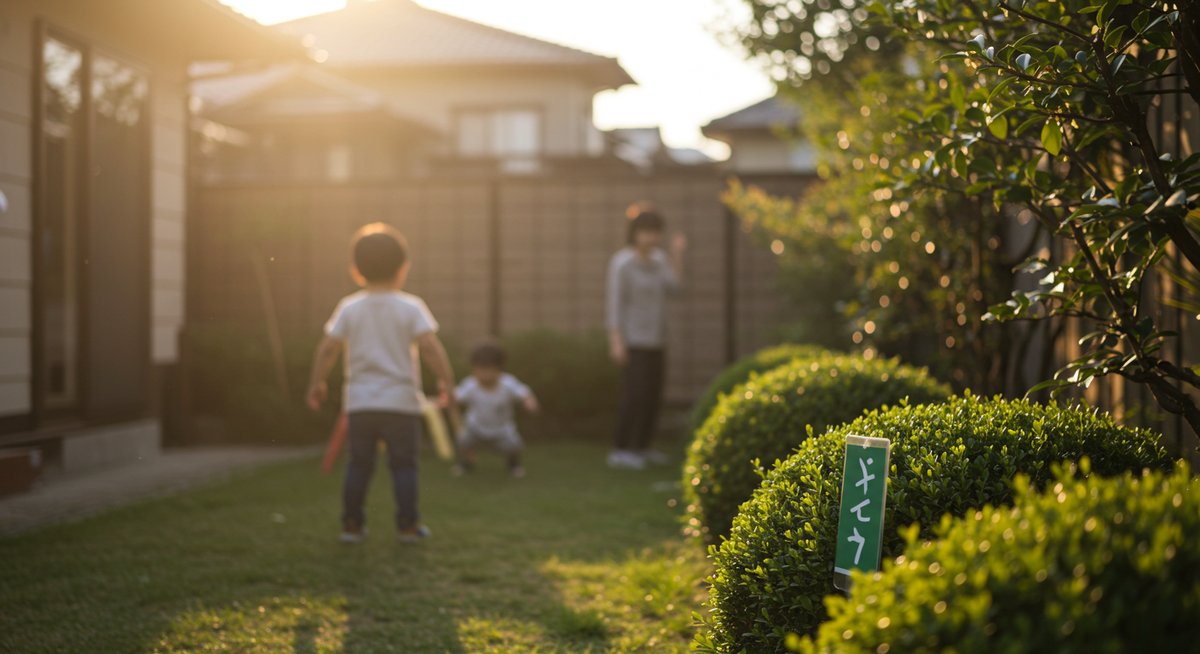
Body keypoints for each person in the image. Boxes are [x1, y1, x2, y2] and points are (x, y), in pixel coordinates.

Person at [306, 223, 457, 545]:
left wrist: (317, 383)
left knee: (359, 465)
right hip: (401, 403)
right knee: (404, 466)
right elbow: (430, 348)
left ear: (356, 270)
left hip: (360, 403)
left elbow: (328, 348)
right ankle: (408, 526)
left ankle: (351, 525)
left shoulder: (350, 307)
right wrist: (447, 382)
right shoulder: (410, 307)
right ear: (403, 269)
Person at [605, 204, 686, 470]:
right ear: (635, 233)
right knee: (635, 395)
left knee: (653, 394)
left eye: (655, 232)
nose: (651, 237)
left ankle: (643, 446)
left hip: (657, 338)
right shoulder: (622, 263)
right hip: (632, 340)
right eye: (646, 232)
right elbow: (615, 304)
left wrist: (677, 254)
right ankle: (621, 449)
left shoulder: (660, 261)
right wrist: (616, 341)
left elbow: (675, 288)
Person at [451, 342, 540, 478]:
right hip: (475, 427)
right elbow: (456, 397)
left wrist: (530, 402)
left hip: (502, 429)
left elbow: (524, 393)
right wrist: (446, 400)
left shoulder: (508, 383)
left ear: (499, 369)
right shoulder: (471, 385)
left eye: (489, 369)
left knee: (514, 445)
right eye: (480, 369)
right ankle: (467, 463)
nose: (484, 374)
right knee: (463, 440)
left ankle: (514, 464)